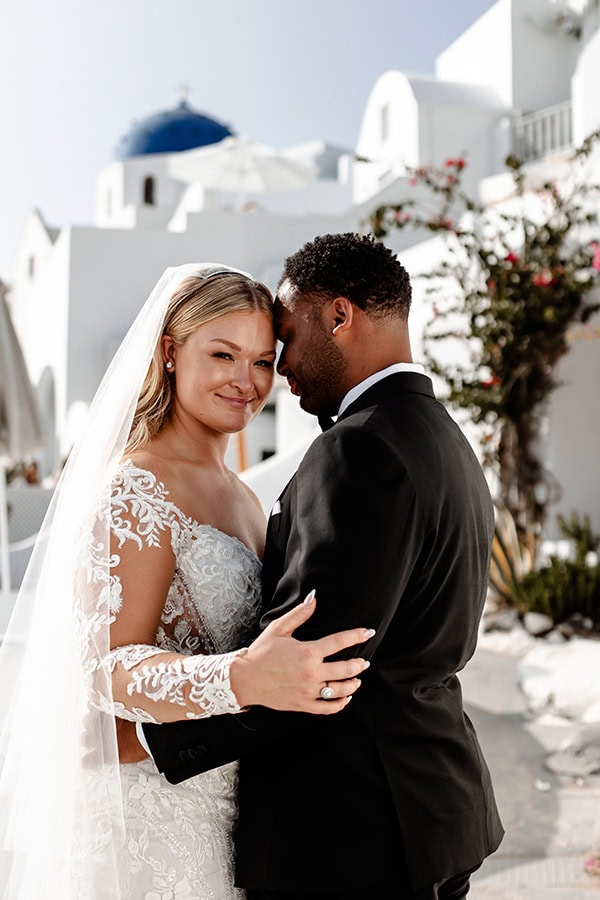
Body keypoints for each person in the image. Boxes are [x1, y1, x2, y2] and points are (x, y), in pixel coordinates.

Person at [141, 234, 505, 900]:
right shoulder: (443, 437)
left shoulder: (358, 449)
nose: (279, 367)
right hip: (428, 807)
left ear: (339, 317)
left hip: (353, 832)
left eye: (284, 336)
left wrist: (149, 743)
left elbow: (312, 664)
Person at [0, 263, 372, 899]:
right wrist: (241, 679)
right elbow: (105, 670)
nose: (245, 381)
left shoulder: (245, 499)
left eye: (261, 362)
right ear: (170, 353)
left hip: (234, 811)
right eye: (222, 354)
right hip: (152, 819)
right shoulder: (134, 488)